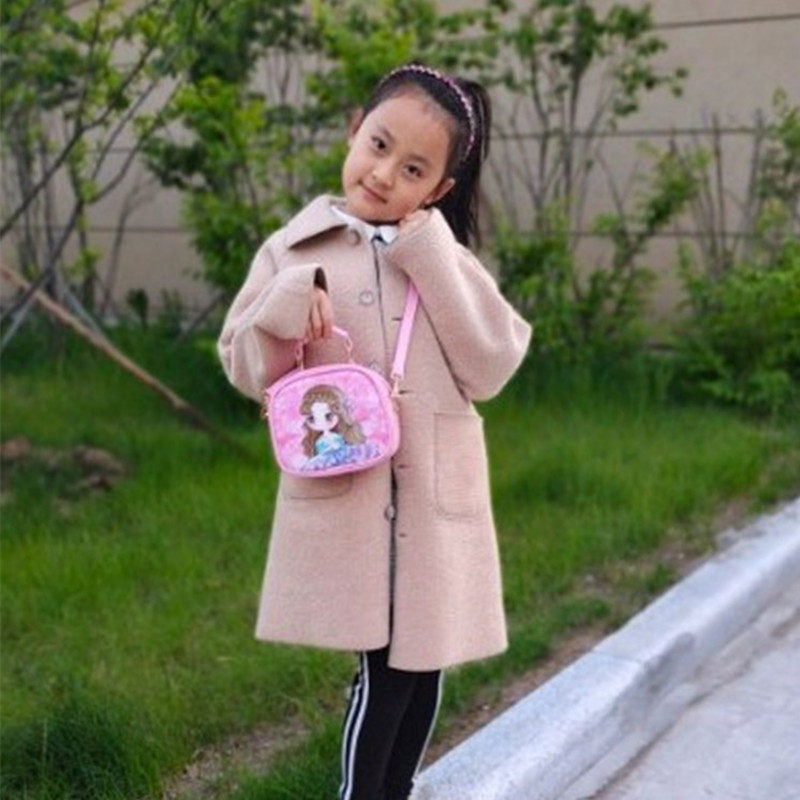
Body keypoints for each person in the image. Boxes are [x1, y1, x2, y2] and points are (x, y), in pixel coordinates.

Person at [216, 60, 533, 800]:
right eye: (379, 145)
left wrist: (431, 257)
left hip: (432, 498)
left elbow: (491, 364)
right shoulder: (293, 251)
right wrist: (284, 304)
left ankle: (398, 787)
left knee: (424, 663)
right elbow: (241, 363)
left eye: (414, 168)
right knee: (383, 667)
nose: (385, 174)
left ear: (439, 190)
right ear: (354, 130)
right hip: (350, 491)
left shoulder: (443, 257)